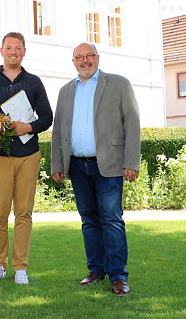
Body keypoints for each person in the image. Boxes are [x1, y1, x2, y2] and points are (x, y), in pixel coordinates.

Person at [51, 42, 140, 296]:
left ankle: (119, 276)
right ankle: (96, 271)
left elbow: (132, 122)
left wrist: (131, 161)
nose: (84, 60)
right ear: (73, 61)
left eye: (89, 55)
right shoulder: (65, 91)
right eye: (79, 57)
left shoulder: (119, 84)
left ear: (98, 58)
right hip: (78, 166)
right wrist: (58, 164)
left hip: (109, 165)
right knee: (89, 221)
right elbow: (58, 131)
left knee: (111, 220)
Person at [0, 32, 53, 285]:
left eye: (18, 48)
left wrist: (28, 127)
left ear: (24, 52)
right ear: (1, 51)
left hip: (28, 154)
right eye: (9, 48)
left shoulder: (34, 82)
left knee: (23, 213)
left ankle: (20, 268)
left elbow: (47, 117)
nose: (13, 52)